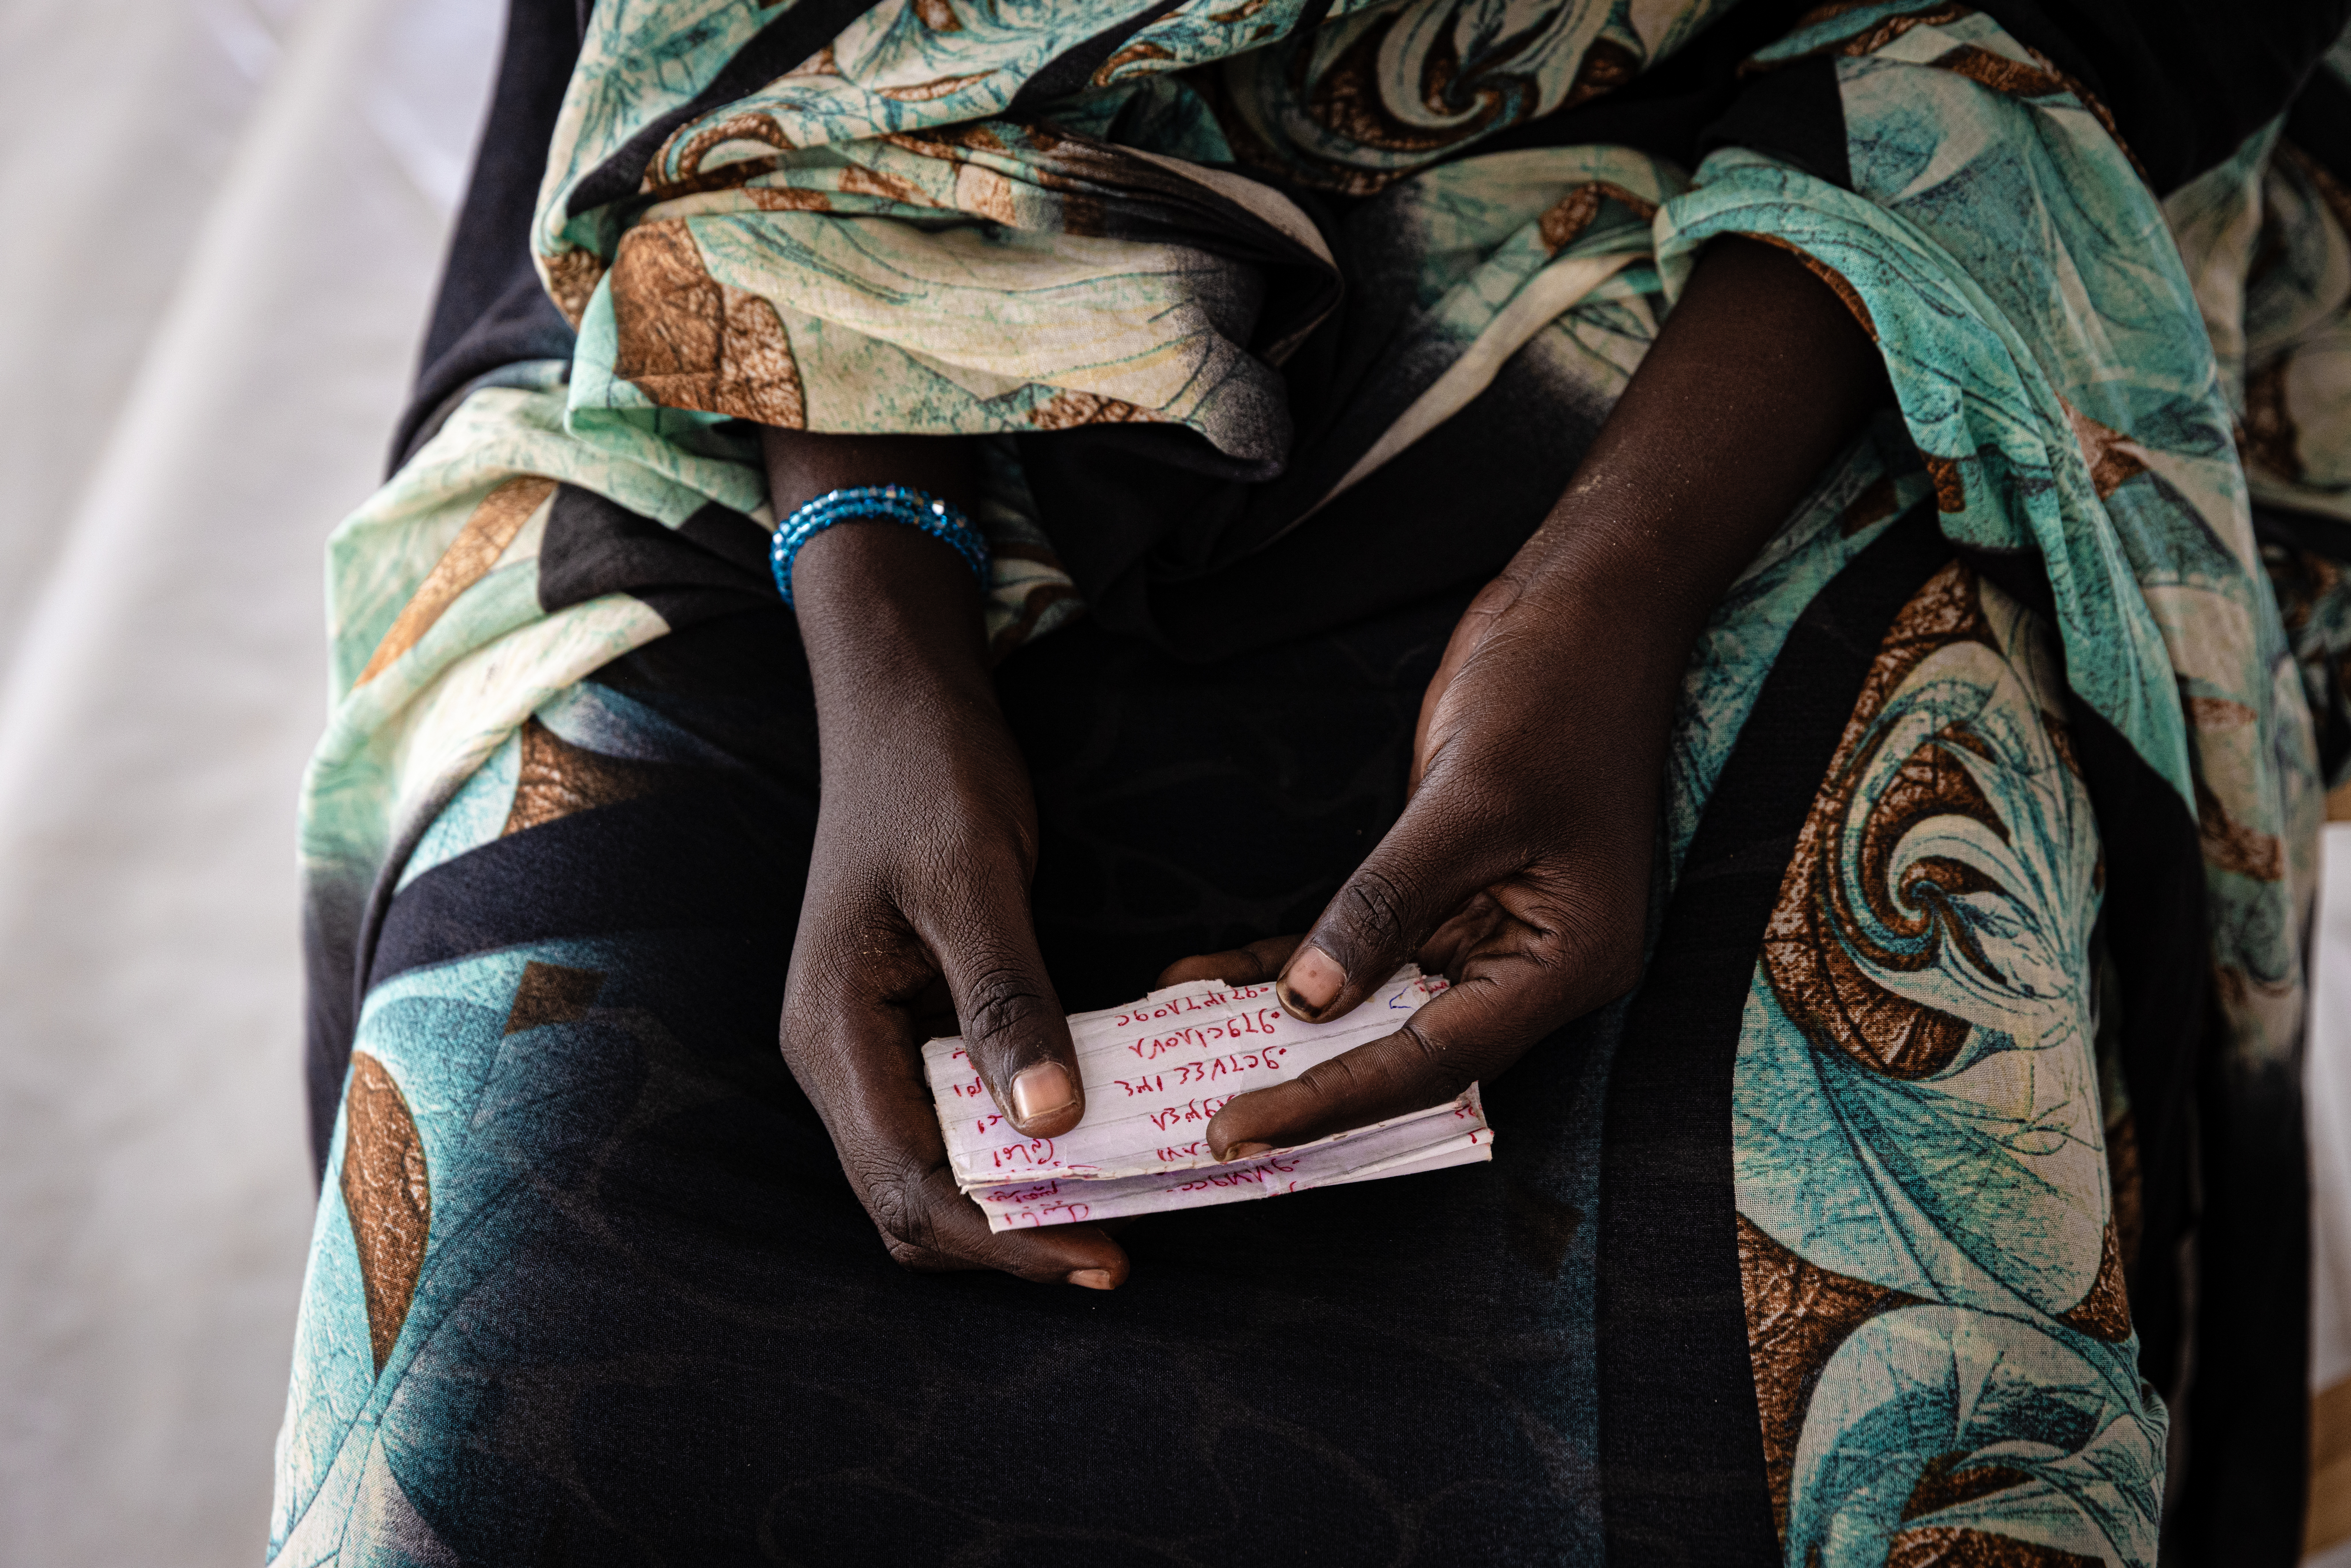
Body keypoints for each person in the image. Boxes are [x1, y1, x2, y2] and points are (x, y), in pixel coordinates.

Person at [271, 1, 2351, 1561]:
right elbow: (734, 77)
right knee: (483, 1442)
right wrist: (879, 615)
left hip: (1766, 289)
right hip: (787, 300)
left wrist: (1617, 585)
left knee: (1839, 1449)